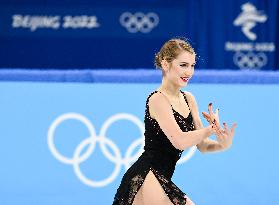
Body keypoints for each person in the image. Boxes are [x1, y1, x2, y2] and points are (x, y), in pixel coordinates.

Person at [112, 38, 237, 205]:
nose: (189, 72)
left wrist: (223, 144)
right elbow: (179, 141)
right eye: (183, 65)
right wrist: (210, 129)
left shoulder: (189, 99)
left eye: (192, 66)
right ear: (165, 64)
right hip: (145, 176)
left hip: (161, 177)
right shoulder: (157, 100)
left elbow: (202, 145)